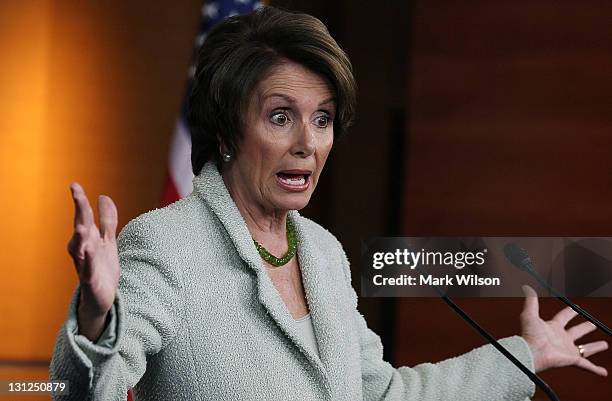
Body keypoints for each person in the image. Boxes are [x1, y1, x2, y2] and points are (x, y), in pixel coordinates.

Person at [50, 6, 608, 401]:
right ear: (224, 132)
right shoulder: (167, 245)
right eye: (279, 116)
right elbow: (78, 392)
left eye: (322, 119)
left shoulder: (322, 251)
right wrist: (96, 318)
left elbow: (380, 393)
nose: (307, 144)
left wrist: (524, 355)